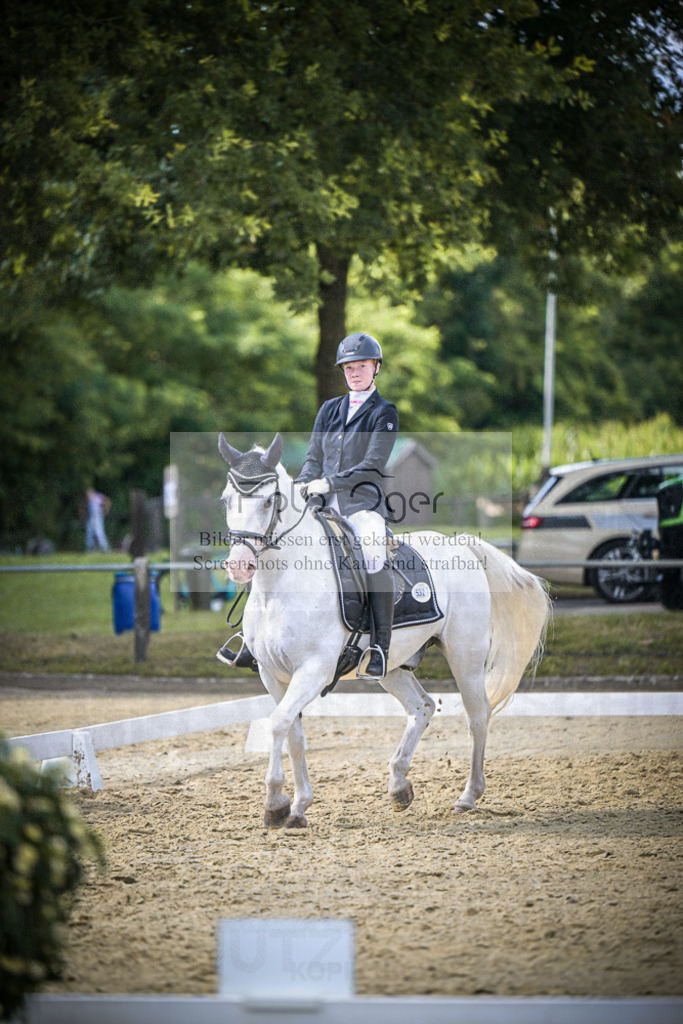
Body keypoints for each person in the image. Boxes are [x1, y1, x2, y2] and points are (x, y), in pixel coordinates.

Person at [217, 331, 399, 678]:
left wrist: (331, 482)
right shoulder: (329, 409)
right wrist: (302, 486)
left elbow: (373, 464)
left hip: (362, 505)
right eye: (349, 368)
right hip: (320, 503)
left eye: (361, 366)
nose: (354, 373)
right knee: (270, 545)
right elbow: (314, 458)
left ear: (375, 368)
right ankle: (254, 640)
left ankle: (380, 646)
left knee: (373, 551)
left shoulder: (384, 412)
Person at [85, 487, 110, 552]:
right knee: (89, 534)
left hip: (98, 518)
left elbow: (107, 501)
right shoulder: (90, 500)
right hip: (91, 518)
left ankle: (105, 548)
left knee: (100, 533)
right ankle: (90, 548)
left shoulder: (98, 496)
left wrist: (105, 511)